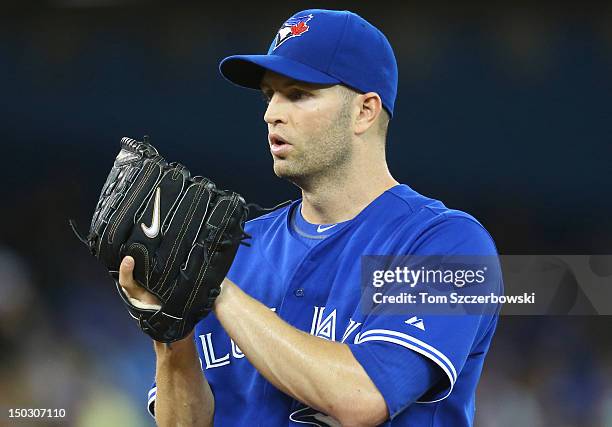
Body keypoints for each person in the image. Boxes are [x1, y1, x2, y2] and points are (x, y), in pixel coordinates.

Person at [118, 9, 502, 427]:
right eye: (269, 96)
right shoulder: (235, 246)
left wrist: (214, 288)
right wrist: (170, 335)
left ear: (364, 111)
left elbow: (362, 397)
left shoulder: (444, 245)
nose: (271, 114)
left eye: (297, 94)